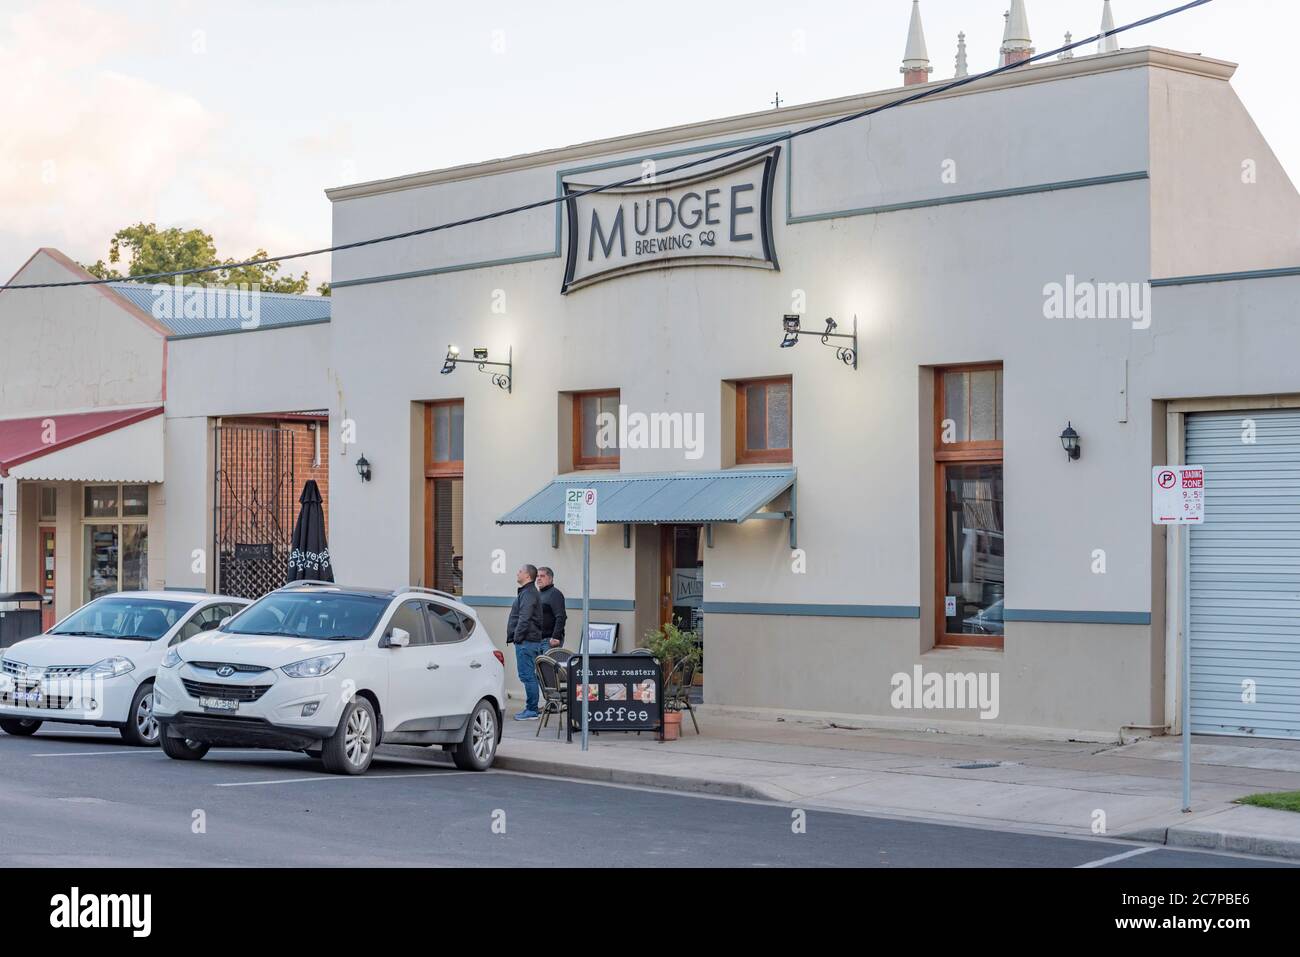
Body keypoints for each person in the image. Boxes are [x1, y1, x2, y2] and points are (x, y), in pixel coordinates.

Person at [506, 564, 545, 720]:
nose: (517, 573)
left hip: (526, 641)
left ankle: (531, 710)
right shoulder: (527, 592)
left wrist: (517, 637)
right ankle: (532, 708)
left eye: (520, 571)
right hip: (527, 641)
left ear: (528, 576)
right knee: (529, 676)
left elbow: (525, 617)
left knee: (527, 676)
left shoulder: (529, 593)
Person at [536, 566, 567, 649]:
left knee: (547, 663)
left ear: (550, 578)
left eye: (542, 576)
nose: (538, 578)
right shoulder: (538, 594)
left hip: (549, 641)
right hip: (538, 641)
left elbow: (561, 616)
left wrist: (556, 637)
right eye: (537, 576)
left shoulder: (555, 594)